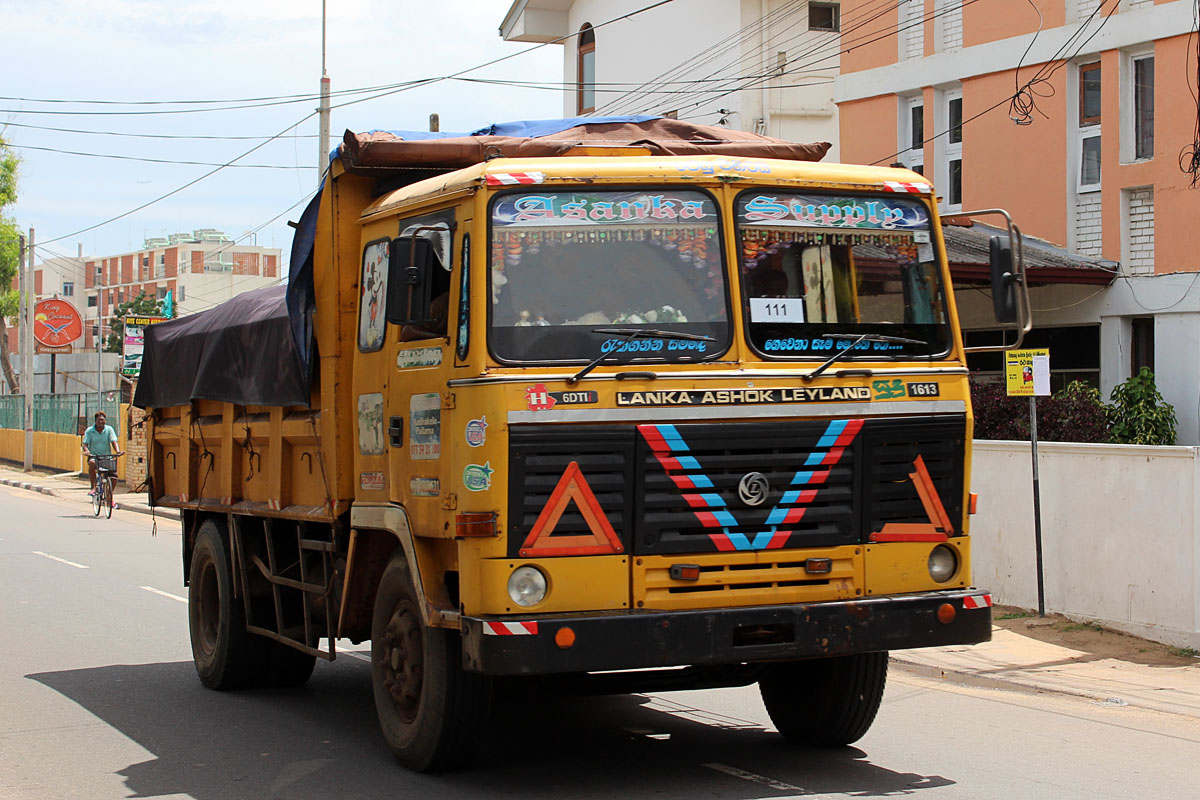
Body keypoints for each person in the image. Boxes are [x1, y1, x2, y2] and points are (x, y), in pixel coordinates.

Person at [82, 412, 123, 496]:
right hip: (94, 456)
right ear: (95, 421)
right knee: (92, 463)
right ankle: (93, 487)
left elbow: (113, 441)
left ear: (105, 420)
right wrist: (86, 450)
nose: (101, 421)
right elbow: (85, 444)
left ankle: (109, 496)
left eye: (102, 420)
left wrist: (118, 451)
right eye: (99, 420)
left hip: (107, 458)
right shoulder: (90, 431)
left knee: (114, 477)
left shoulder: (109, 429)